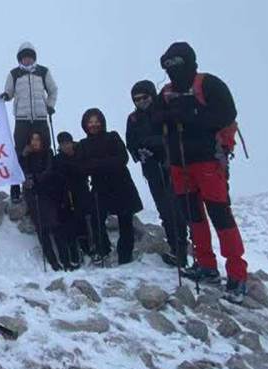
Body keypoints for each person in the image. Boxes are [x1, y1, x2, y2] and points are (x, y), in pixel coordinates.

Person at [156, 42, 248, 297]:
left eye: (176, 64)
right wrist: (167, 117)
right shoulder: (166, 93)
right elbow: (155, 118)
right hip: (179, 163)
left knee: (220, 215)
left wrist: (189, 114)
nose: (172, 70)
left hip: (208, 161)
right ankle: (207, 265)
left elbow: (226, 114)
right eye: (168, 65)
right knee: (193, 216)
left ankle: (237, 274)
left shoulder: (209, 84)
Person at [126, 80, 189, 267]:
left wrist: (154, 143)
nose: (141, 102)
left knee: (178, 208)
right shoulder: (133, 119)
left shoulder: (164, 112)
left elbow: (176, 135)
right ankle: (176, 249)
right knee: (164, 210)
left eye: (144, 97)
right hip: (152, 168)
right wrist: (139, 152)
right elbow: (131, 142)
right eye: (136, 99)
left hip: (171, 165)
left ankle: (183, 250)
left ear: (152, 95)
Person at [76, 108, 143, 265]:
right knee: (96, 219)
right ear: (85, 125)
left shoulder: (112, 136)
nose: (93, 125)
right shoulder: (83, 144)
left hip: (121, 185)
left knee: (125, 220)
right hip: (100, 188)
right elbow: (82, 167)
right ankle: (103, 250)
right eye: (90, 122)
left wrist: (96, 164)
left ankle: (125, 255)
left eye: (96, 121)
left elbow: (122, 158)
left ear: (102, 122)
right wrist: (107, 162)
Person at [0, 41, 58, 204]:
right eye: (24, 57)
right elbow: (9, 92)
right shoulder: (14, 74)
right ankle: (15, 190)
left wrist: (50, 105)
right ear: (20, 59)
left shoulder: (43, 72)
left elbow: (53, 90)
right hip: (22, 119)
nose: (27, 59)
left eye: (30, 57)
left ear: (34, 58)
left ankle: (46, 184)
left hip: (40, 118)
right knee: (19, 152)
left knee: (44, 149)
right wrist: (5, 96)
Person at [22, 132, 74, 271]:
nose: (35, 142)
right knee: (42, 230)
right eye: (32, 139)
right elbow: (22, 173)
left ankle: (66, 261)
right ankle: (53, 262)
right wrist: (25, 158)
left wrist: (36, 178)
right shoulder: (25, 156)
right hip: (33, 195)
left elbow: (49, 171)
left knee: (56, 227)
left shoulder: (48, 153)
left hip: (48, 193)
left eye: (37, 139)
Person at [53, 131, 92, 264]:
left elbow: (84, 170)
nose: (66, 146)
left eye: (68, 143)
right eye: (63, 144)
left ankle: (87, 248)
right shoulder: (57, 159)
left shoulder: (80, 153)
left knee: (83, 220)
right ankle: (75, 253)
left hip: (82, 191)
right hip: (66, 195)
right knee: (70, 223)